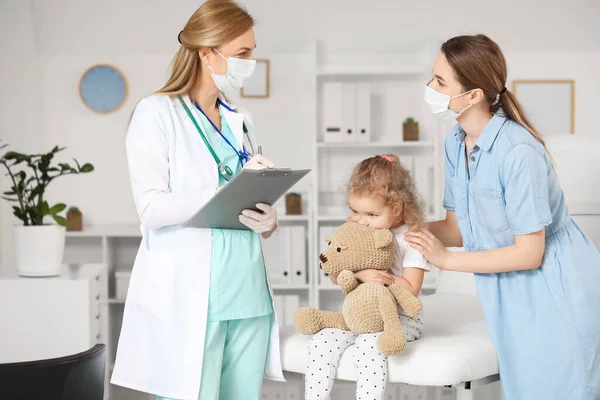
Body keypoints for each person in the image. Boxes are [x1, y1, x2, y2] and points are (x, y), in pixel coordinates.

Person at [404, 34, 600, 399]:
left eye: (440, 81)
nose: (429, 87)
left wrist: (445, 260)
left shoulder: (518, 152)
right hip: (507, 289)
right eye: (432, 77)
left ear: (473, 94)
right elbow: (456, 228)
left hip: (555, 285)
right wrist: (393, 233)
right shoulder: (455, 142)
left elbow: (530, 252)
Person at [110, 1, 284, 399]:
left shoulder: (240, 117)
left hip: (248, 289)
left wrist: (267, 218)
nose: (251, 61)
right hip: (194, 294)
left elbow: (242, 196)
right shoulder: (156, 113)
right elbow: (152, 208)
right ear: (207, 53)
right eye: (243, 53)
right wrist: (228, 192)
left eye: (252, 51)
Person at [305, 154, 429, 400]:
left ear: (397, 207)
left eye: (371, 215)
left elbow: (412, 288)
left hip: (400, 319)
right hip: (360, 315)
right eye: (355, 211)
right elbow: (335, 277)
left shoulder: (411, 239)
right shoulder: (358, 231)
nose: (363, 221)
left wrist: (379, 277)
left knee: (368, 347)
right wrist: (360, 274)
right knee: (322, 341)